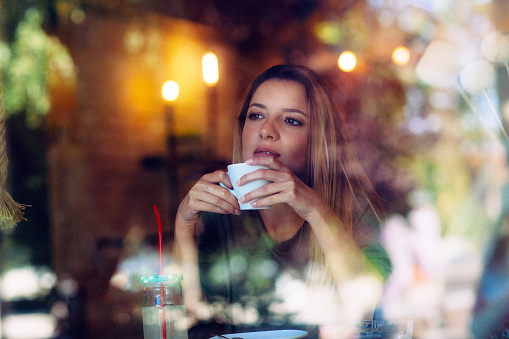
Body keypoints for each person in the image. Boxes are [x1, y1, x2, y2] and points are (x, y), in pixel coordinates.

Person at [173, 64, 392, 338]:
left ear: (318, 141)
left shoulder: (355, 211)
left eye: (291, 120)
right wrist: (184, 223)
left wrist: (313, 208)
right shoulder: (222, 212)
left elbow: (365, 307)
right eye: (256, 115)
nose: (266, 130)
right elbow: (186, 317)